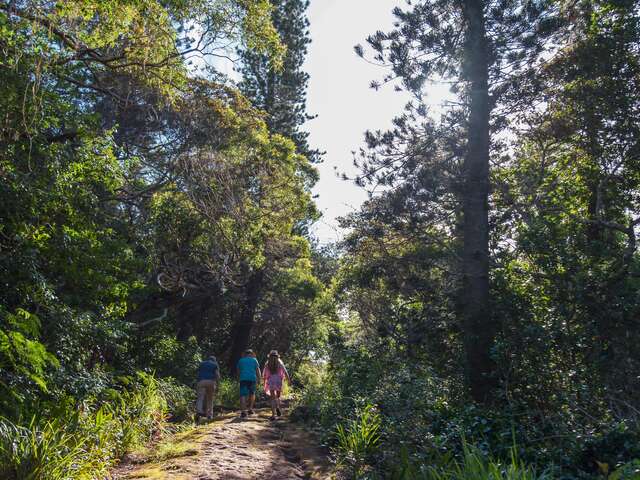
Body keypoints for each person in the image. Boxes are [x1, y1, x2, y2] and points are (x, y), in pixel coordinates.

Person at [262, 350, 290, 421]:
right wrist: (288, 379)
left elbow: (264, 374)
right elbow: (285, 371)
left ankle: (273, 415)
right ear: (277, 356)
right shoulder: (279, 362)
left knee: (272, 398)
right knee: (278, 396)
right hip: (278, 381)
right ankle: (277, 407)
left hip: (271, 380)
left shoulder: (268, 363)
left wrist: (264, 381)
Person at [236, 349, 261, 418]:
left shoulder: (241, 360)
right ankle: (250, 409)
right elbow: (258, 370)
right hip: (252, 379)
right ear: (252, 354)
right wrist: (259, 379)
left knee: (243, 395)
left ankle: (243, 411)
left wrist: (238, 378)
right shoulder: (254, 360)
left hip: (243, 379)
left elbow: (238, 371)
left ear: (245, 354)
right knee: (252, 393)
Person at [196, 355, 220, 420]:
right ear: (214, 360)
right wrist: (217, 385)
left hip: (201, 381)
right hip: (211, 382)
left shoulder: (201, 364)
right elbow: (217, 375)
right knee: (210, 399)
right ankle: (209, 415)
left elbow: (198, 374)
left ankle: (199, 411)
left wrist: (198, 381)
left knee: (200, 398)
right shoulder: (215, 365)